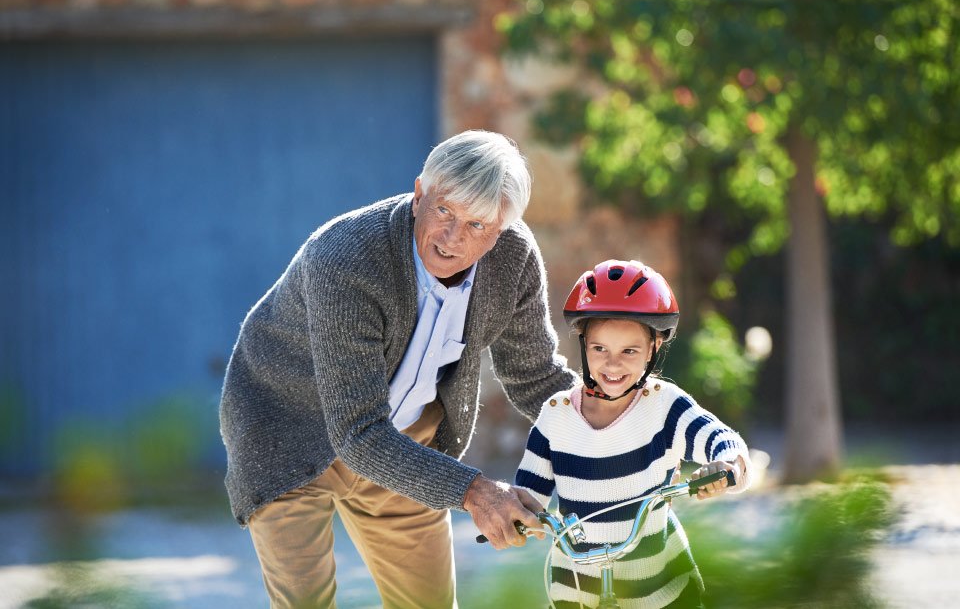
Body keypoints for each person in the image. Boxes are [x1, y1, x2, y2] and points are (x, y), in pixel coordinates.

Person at [219, 130, 577, 608]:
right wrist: (474, 491)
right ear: (418, 195)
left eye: (475, 225)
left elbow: (537, 377)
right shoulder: (346, 257)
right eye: (444, 211)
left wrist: (637, 428)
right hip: (288, 427)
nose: (452, 238)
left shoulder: (512, 257)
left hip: (402, 444)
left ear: (499, 232)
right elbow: (359, 433)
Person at [515, 259, 752, 609]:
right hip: (576, 590)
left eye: (629, 351)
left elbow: (721, 439)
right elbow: (527, 498)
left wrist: (727, 466)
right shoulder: (556, 415)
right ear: (583, 345)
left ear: (653, 350)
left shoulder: (663, 407)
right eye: (600, 349)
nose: (612, 364)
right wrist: (517, 518)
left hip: (661, 589)